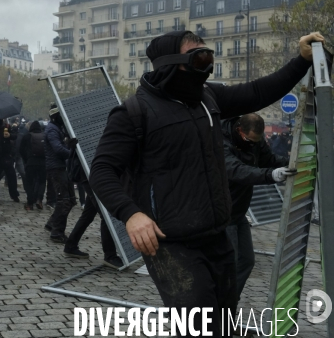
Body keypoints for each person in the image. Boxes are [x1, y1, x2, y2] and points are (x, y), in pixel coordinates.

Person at [89, 30, 324, 336]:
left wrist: (301, 61)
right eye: (199, 58)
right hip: (172, 245)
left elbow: (257, 92)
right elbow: (102, 170)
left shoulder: (208, 98)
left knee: (223, 325)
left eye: (208, 57)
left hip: (217, 235)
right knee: (199, 329)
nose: (207, 65)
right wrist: (131, 214)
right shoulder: (133, 113)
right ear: (171, 63)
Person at [222, 113, 291, 300]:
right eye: (249, 140)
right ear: (239, 130)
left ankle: (228, 306)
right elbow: (237, 170)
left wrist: (290, 164)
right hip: (221, 213)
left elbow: (268, 160)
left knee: (246, 261)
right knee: (230, 264)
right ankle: (218, 312)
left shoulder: (255, 142)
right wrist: (271, 175)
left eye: (256, 141)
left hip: (238, 212)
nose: (253, 144)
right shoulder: (221, 141)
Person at [44, 105, 78, 243]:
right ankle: (57, 232)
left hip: (61, 167)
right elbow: (58, 149)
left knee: (70, 200)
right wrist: (72, 153)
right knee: (64, 200)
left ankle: (52, 224)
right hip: (56, 168)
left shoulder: (56, 128)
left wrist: (69, 145)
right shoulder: (52, 130)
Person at [0, 118, 20, 203]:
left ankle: (14, 195)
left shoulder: (7, 127)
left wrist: (9, 135)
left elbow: (15, 136)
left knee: (11, 176)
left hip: (6, 155)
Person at [19, 120, 46, 210]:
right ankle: (39, 199)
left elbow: (21, 150)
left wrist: (26, 160)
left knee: (29, 183)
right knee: (42, 182)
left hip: (31, 162)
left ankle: (30, 203)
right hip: (43, 163)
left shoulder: (27, 136)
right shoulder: (44, 136)